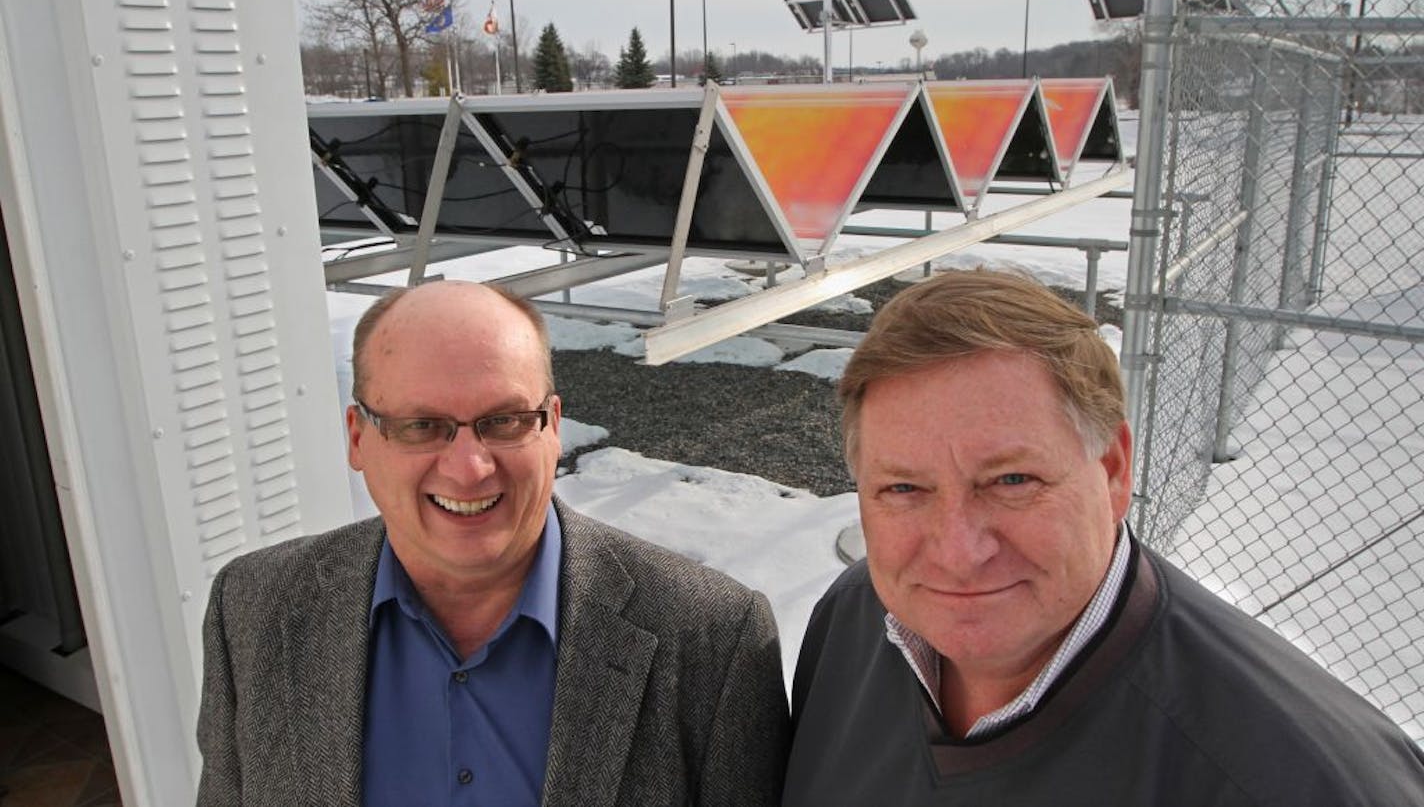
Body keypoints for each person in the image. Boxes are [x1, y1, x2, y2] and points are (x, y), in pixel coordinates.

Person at [783, 268, 1424, 805]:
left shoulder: (1303, 780)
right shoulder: (855, 618)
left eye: (1010, 479)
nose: (957, 551)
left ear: (1113, 469)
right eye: (903, 489)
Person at [197, 280, 788, 806]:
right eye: (422, 426)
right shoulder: (252, 606)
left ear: (554, 427)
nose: (469, 468)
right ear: (358, 439)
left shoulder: (711, 639)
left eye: (504, 421)